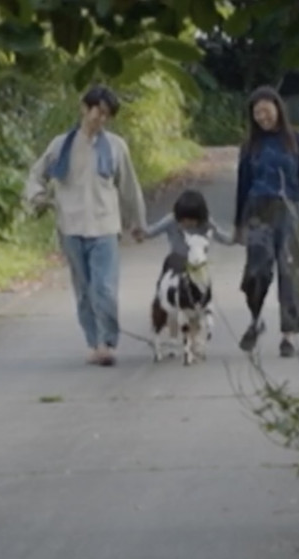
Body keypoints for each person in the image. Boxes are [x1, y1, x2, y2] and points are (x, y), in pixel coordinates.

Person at [24, 84, 147, 366]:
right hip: (71, 226)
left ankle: (107, 342)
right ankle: (93, 343)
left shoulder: (116, 147)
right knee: (83, 291)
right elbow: (36, 175)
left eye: (106, 115)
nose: (100, 119)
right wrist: (38, 197)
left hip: (105, 226)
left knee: (104, 287)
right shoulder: (61, 145)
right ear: (85, 109)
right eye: (97, 112)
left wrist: (137, 222)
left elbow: (129, 187)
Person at [233, 85, 299, 358]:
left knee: (292, 274)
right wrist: (238, 224)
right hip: (258, 212)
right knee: (256, 272)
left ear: (278, 108)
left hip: (293, 211)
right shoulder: (249, 146)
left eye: (267, 111)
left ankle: (288, 335)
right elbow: (242, 185)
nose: (263, 117)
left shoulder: (298, 142)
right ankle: (256, 319)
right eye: (257, 113)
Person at [145, 189, 235, 273]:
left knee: (202, 282)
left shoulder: (206, 224)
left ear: (200, 218)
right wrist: (141, 233)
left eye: (192, 221)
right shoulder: (171, 221)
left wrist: (236, 238)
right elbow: (152, 231)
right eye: (183, 220)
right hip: (176, 262)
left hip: (196, 263)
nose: (187, 224)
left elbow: (221, 236)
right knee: (168, 271)